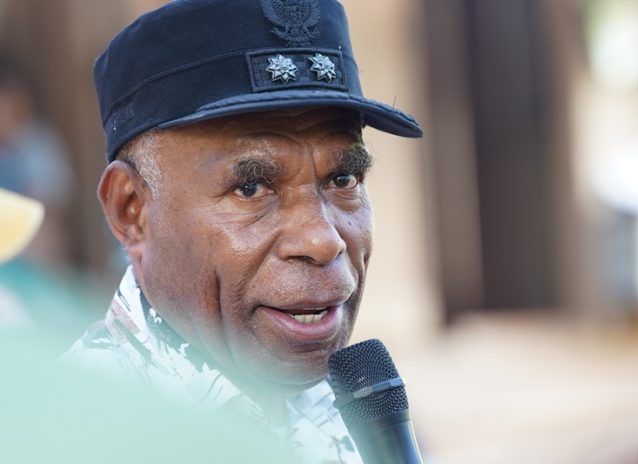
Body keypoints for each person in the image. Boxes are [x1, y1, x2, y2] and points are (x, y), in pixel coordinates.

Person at [65, 1, 422, 462]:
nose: (323, 240)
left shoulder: (355, 409)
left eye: (343, 179)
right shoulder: (71, 435)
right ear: (132, 211)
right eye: (250, 188)